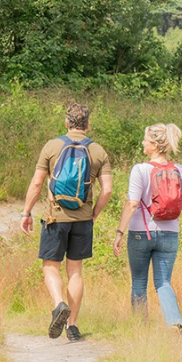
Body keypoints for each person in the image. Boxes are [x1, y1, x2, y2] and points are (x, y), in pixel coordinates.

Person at [21, 102, 112, 342]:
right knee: (76, 271)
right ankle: (72, 327)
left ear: (66, 123)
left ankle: (59, 303)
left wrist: (26, 212)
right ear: (88, 124)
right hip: (82, 219)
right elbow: (108, 190)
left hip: (55, 217)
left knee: (51, 266)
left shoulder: (52, 146)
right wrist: (94, 213)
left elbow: (38, 183)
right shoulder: (98, 151)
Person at [112, 123, 182, 343]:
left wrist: (120, 233)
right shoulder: (179, 170)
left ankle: (141, 332)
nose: (142, 143)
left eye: (145, 140)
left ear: (155, 145)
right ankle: (175, 324)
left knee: (139, 282)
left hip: (140, 232)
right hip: (169, 234)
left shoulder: (140, 169)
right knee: (163, 282)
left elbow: (131, 204)